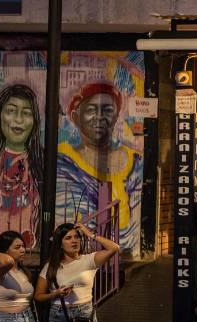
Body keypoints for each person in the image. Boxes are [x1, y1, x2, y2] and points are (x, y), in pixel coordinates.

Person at [55, 82, 143, 253]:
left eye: (108, 110)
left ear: (117, 116)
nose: (100, 116)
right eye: (90, 110)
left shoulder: (135, 162)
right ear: (75, 116)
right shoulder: (63, 160)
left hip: (117, 250)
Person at [0, 84, 43, 247]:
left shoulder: (40, 160)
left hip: (27, 248)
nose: (18, 119)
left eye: (26, 113)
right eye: (11, 111)